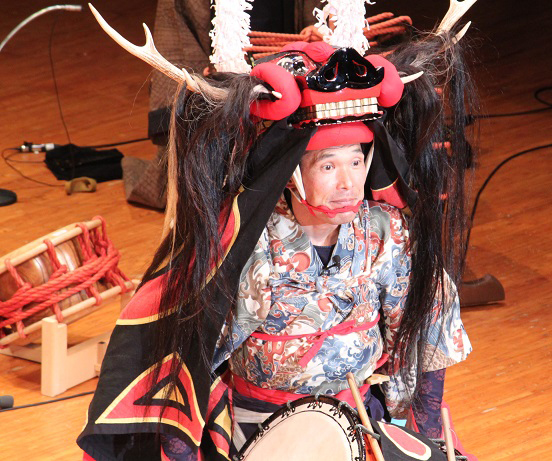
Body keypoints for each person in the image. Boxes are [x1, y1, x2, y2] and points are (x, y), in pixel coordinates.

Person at [79, 2, 478, 459]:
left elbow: (425, 333)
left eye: (356, 162)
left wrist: (427, 439)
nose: (349, 183)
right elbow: (186, 366)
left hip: (362, 422)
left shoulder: (385, 233)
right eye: (328, 165)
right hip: (263, 431)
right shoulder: (250, 247)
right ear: (291, 174)